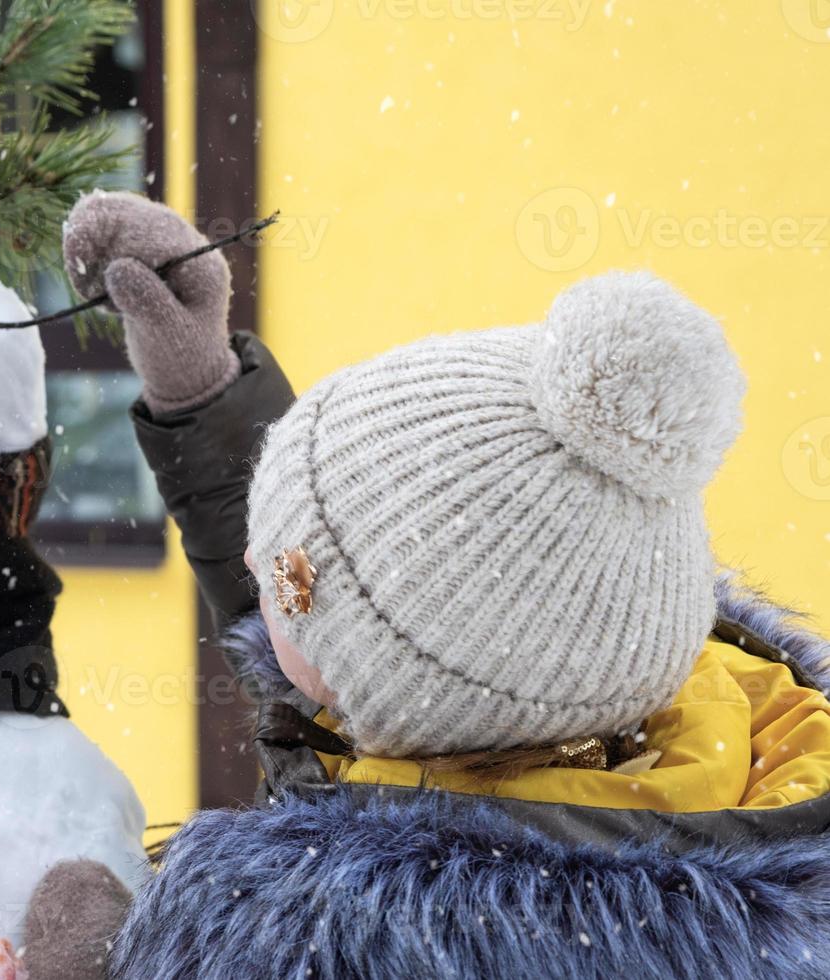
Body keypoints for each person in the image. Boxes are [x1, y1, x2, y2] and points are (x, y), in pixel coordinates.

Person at [56, 191, 830, 977]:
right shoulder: (654, 711)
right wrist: (202, 387)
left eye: (288, 581)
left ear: (405, 707)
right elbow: (382, 598)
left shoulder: (308, 941)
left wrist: (91, 961)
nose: (256, 568)